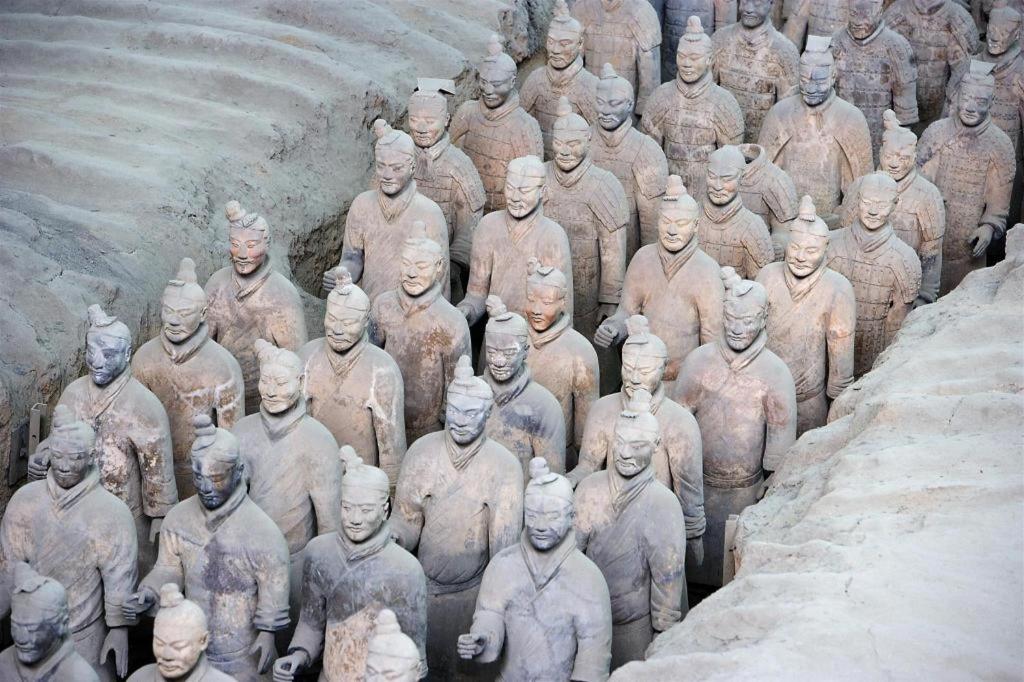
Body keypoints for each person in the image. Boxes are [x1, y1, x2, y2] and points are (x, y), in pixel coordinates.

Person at [128, 415, 289, 681]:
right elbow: (169, 570)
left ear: (238, 471)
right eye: (198, 477)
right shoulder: (178, 518)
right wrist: (150, 592)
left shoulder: (262, 532)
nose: (205, 487)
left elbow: (273, 592)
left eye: (216, 478)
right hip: (188, 654)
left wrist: (268, 635)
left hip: (243, 656)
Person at [391, 356, 523, 678]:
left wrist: (491, 614)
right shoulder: (421, 452)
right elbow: (406, 519)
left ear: (487, 414)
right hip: (421, 589)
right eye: (455, 411)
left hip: (472, 597)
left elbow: (503, 553)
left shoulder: (504, 467)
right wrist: (395, 536)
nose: (461, 421)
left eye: (471, 413)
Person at [28, 303, 175, 575]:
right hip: (73, 512)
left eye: (108, 354)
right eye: (91, 351)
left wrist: (159, 525)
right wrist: (43, 456)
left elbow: (158, 477)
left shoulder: (145, 406)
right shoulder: (73, 393)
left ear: (127, 354)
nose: (97, 361)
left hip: (125, 518)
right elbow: (55, 442)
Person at [672, 267, 797, 587]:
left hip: (745, 496)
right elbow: (675, 428)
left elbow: (780, 450)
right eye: (731, 319)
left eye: (747, 321)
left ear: (763, 320)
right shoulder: (698, 362)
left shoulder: (775, 373)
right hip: (695, 491)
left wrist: (768, 494)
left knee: (732, 578)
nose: (738, 329)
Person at [1, 406, 136, 681]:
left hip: (85, 637)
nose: (64, 466)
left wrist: (119, 630)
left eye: (74, 458)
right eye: (58, 456)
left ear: (91, 456)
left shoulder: (112, 512)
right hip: (30, 634)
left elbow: (119, 578)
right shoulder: (25, 500)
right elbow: (8, 571)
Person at [272, 452, 427, 681]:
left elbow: (415, 658)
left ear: (384, 510)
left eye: (366, 510)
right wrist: (299, 655)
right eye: (347, 508)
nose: (355, 518)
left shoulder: (405, 569)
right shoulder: (319, 552)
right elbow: (311, 623)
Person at [457, 458, 613, 681]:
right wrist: (482, 639)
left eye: (552, 517)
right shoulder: (503, 564)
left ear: (572, 517)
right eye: (532, 515)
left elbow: (593, 659)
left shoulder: (588, 578)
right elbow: (489, 614)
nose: (540, 526)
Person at [575, 389, 688, 669]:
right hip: (584, 626)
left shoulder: (664, 504)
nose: (625, 453)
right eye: (620, 442)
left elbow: (667, 584)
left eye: (637, 445)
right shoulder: (589, 489)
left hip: (634, 632)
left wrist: (662, 643)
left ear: (656, 445)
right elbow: (569, 560)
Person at [133, 257, 244, 498]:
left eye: (184, 313)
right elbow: (133, 426)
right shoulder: (144, 359)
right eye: (168, 311)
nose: (173, 321)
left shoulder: (223, 367)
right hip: (150, 480)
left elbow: (232, 441)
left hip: (203, 483)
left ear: (203, 313)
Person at [757, 195, 855, 434]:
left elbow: (840, 360)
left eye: (811, 250)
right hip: (760, 396)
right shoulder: (767, 276)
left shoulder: (837, 288)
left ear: (826, 248)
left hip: (808, 402)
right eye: (794, 248)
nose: (800, 257)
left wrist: (837, 410)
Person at [300, 269, 406, 488]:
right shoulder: (307, 358)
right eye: (332, 319)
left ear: (366, 321)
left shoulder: (382, 369)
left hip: (361, 488)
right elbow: (294, 434)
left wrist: (386, 497)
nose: (337, 330)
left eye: (348, 322)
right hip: (312, 480)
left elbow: (392, 453)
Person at [323, 119, 449, 303]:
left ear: (412, 167)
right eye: (381, 166)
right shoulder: (362, 205)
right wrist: (342, 275)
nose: (388, 175)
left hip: (411, 312)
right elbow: (353, 257)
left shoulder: (430, 214)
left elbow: (440, 281)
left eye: (397, 168)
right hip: (369, 307)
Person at [205, 200, 307, 412]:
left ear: (266, 244)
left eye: (251, 246)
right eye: (235, 244)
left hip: (267, 400)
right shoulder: (217, 284)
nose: (242, 254)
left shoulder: (283, 295)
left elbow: (297, 362)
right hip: (217, 394)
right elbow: (202, 345)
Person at [828, 172, 922, 376]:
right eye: (867, 202)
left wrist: (882, 372)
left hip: (873, 361)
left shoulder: (905, 259)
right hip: (827, 354)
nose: (872, 211)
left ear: (895, 204)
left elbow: (897, 326)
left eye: (881, 204)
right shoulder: (830, 245)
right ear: (857, 199)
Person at [451, 35, 544, 213]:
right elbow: (449, 158)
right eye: (484, 82)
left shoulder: (524, 126)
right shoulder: (467, 112)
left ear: (512, 82)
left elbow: (532, 184)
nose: (488, 90)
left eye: (496, 84)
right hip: (465, 209)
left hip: (507, 213)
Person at [0, 562, 99, 682]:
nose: (21, 639)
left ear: (62, 625)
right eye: (15, 627)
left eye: (32, 629)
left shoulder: (80, 678)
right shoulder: (3, 662)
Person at [126, 583, 235, 682]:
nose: (167, 656)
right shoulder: (138, 679)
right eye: (159, 644)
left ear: (203, 641)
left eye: (179, 646)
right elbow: (171, 569)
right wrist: (152, 591)